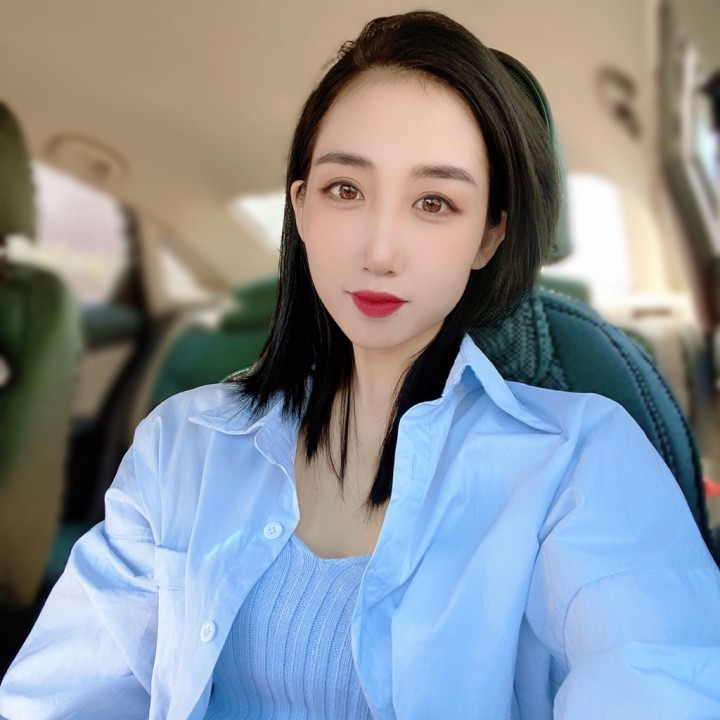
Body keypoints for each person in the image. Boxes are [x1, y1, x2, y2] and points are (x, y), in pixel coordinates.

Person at [2, 10, 720, 720]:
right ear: (302, 207)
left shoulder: (580, 459)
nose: (379, 250)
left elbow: (654, 676)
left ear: (489, 235)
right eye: (345, 189)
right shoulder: (180, 444)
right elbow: (60, 699)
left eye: (434, 202)